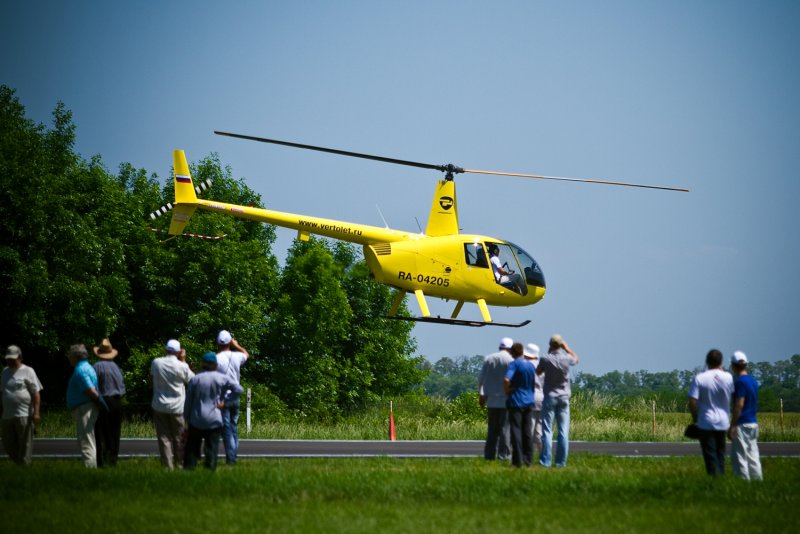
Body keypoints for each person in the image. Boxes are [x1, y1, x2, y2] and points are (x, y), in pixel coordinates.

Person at [184, 352, 243, 471]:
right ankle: (210, 469)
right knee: (211, 448)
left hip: (196, 418)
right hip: (214, 418)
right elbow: (238, 389)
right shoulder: (222, 378)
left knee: (192, 447)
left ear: (203, 364)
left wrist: (186, 417)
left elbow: (188, 400)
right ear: (215, 365)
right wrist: (225, 402)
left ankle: (190, 468)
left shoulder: (196, 379)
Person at [688, 348, 734, 476]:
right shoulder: (728, 377)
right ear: (721, 362)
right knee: (721, 452)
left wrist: (695, 417)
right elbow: (732, 395)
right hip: (723, 421)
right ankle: (721, 474)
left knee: (710, 453)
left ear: (707, 361)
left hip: (706, 421)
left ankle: (714, 477)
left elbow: (692, 400)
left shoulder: (700, 378)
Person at [151, 339, 194, 469]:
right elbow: (193, 380)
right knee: (179, 437)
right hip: (177, 407)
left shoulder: (156, 363)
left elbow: (151, 379)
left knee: (164, 437)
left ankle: (167, 466)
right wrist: (184, 360)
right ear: (179, 351)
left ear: (166, 350)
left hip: (159, 405)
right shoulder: (182, 366)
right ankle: (180, 464)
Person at [537, 334, 579, 468]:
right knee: (563, 431)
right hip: (564, 397)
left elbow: (538, 372)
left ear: (550, 345)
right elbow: (576, 359)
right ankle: (561, 462)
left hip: (549, 397)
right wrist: (567, 348)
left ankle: (546, 461)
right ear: (561, 345)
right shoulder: (567, 358)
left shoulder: (545, 358)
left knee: (547, 430)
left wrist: (549, 354)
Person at [1, 345, 42, 466]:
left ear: (20, 357)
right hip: (7, 414)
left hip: (24, 413)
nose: (10, 361)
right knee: (7, 442)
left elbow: (36, 394)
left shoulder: (28, 371)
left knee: (25, 444)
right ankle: (19, 463)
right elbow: (2, 392)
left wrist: (36, 413)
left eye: (12, 359)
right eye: (8, 359)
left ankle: (24, 467)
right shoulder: (4, 372)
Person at [66, 343, 105, 468]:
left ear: (75, 356)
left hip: (84, 408)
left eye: (69, 355)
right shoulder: (87, 367)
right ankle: (91, 467)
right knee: (88, 439)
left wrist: (100, 403)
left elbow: (91, 390)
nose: (68, 358)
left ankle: (89, 469)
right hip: (87, 407)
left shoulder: (80, 370)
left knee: (86, 441)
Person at [215, 330, 249, 465]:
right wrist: (237, 345)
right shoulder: (237, 356)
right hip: (235, 395)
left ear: (218, 343)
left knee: (226, 429)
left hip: (223, 397)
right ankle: (233, 454)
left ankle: (231, 458)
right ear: (230, 342)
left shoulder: (217, 358)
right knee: (233, 427)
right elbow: (246, 354)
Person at [728, 350, 762, 481]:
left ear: (734, 365)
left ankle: (743, 483)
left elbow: (739, 404)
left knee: (740, 457)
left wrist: (733, 425)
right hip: (753, 422)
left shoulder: (740, 382)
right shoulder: (753, 382)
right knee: (753, 455)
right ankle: (757, 480)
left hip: (742, 423)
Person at [478, 336, 513, 460]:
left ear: (500, 347)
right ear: (510, 349)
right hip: (506, 400)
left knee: (492, 430)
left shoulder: (489, 358)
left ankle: (489, 455)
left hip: (491, 400)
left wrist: (481, 396)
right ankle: (504, 455)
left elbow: (482, 379)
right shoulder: (511, 360)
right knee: (505, 430)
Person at [93, 338, 126, 467]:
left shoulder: (96, 366)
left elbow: (93, 385)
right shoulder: (117, 368)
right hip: (117, 401)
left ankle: (101, 461)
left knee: (101, 432)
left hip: (103, 400)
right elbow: (122, 387)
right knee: (114, 433)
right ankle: (113, 461)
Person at [503, 342, 537, 467]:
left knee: (516, 431)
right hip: (529, 401)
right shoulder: (530, 365)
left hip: (516, 401)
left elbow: (506, 379)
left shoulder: (514, 364)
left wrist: (507, 390)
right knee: (527, 432)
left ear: (512, 352)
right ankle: (529, 459)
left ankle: (517, 460)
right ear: (522, 352)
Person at [524, 343, 545, 454]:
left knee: (529, 429)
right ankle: (544, 454)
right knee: (539, 431)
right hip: (542, 399)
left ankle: (527, 455)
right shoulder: (542, 366)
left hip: (529, 399)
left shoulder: (526, 366)